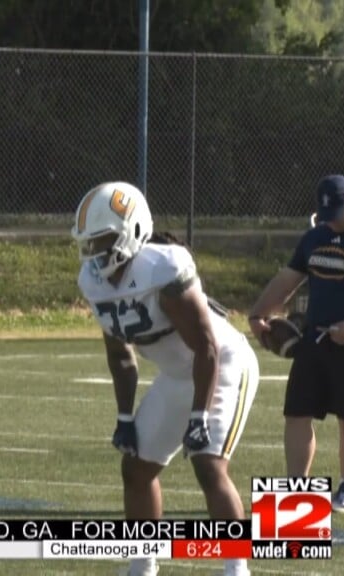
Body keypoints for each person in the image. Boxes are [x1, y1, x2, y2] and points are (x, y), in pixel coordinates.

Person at [71, 182, 259, 576]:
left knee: (208, 464)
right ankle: (143, 563)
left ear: (131, 232)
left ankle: (236, 567)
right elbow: (120, 354)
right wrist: (124, 417)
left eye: (102, 239)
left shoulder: (164, 268)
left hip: (222, 364)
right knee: (136, 468)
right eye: (89, 242)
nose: (94, 252)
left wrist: (199, 418)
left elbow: (206, 347)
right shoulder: (93, 282)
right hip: (177, 375)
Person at [248, 174, 344, 513]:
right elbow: (287, 281)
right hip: (314, 339)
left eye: (338, 212)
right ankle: (296, 490)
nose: (332, 221)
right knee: (297, 413)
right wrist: (258, 315)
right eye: (326, 213)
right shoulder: (315, 237)